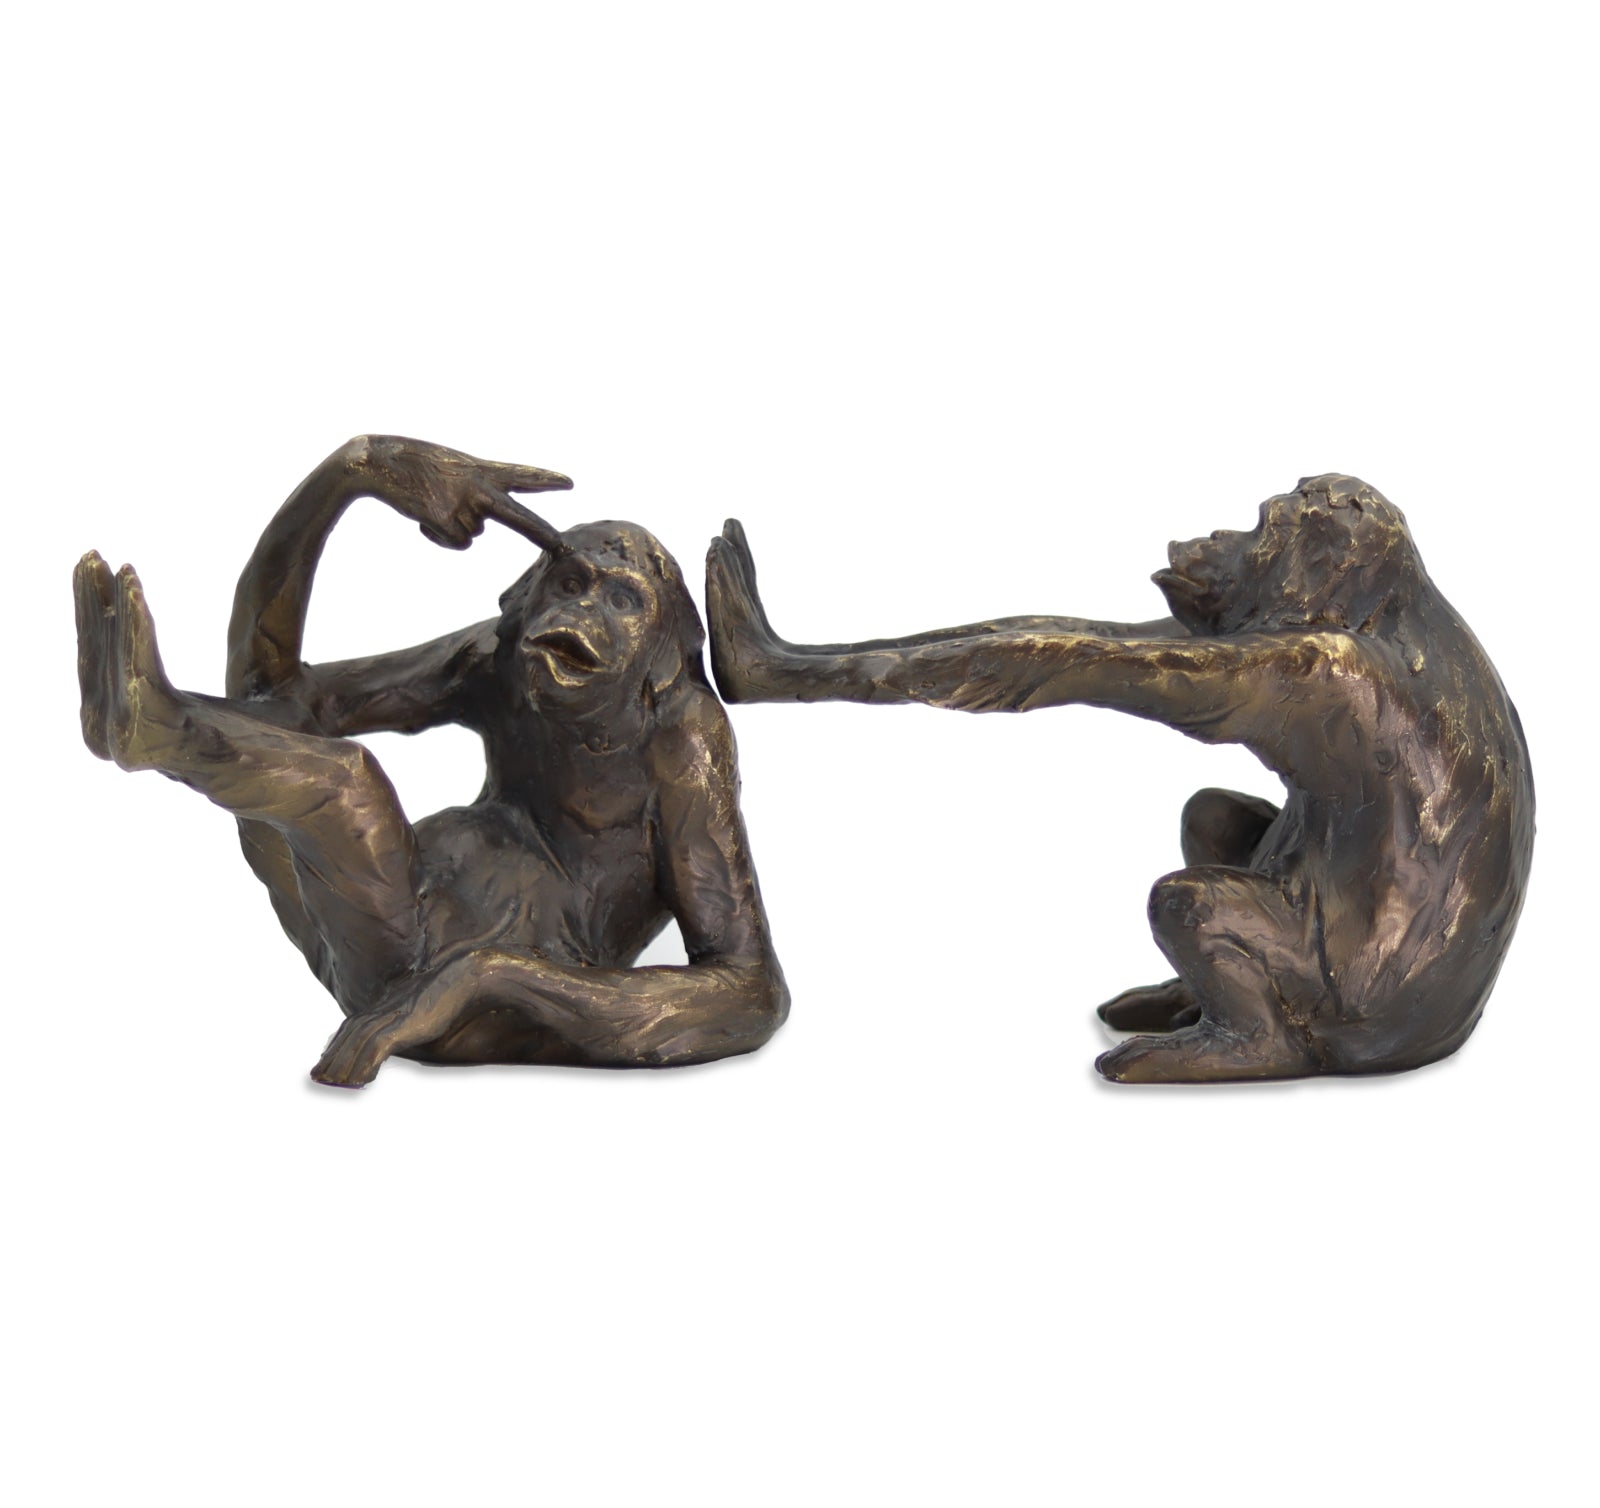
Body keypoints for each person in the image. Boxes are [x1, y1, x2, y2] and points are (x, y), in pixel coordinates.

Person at [705, 476, 1533, 1082]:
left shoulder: (1330, 672)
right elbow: (1080, 642)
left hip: (1380, 1004)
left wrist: (786, 672)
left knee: (1186, 903)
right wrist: (797, 663)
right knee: (1215, 822)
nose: (1235, 539)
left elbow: (1062, 662)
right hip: (1426, 986)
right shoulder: (1407, 633)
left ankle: (1260, 1031)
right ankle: (1230, 985)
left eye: (1265, 532)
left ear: (1319, 567)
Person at [75, 435, 788, 1088]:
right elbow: (279, 705)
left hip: (485, 1005)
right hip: (377, 925)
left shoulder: (680, 739)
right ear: (522, 603)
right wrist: (350, 472)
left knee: (343, 782)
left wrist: (494, 977)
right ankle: (156, 729)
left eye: (624, 600)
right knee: (331, 778)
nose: (581, 613)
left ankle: (165, 732)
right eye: (569, 583)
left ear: (665, 655)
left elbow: (749, 992)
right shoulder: (505, 655)